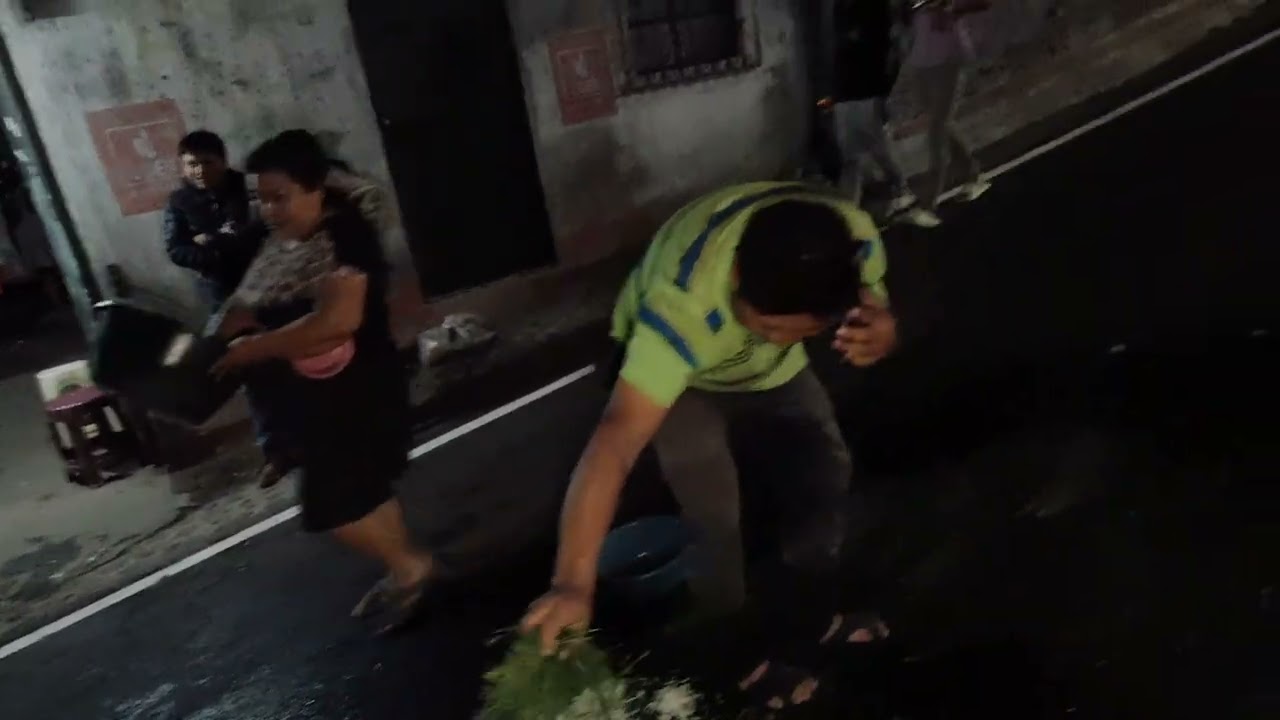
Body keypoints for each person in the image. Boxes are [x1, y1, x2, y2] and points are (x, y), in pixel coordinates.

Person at [521, 182, 898, 712]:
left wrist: (882, 329)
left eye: (799, 332)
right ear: (739, 277)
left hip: (773, 378)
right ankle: (742, 660)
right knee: (714, 516)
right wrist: (571, 583)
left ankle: (814, 617)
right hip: (690, 382)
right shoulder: (682, 305)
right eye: (766, 326)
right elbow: (615, 443)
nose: (775, 338)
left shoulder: (851, 239)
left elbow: (871, 300)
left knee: (825, 475)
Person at [210, 130, 436, 633]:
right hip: (318, 399)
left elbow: (337, 322)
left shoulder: (346, 239)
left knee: (330, 508)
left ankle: (410, 566)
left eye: (278, 197)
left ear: (314, 188)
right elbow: (251, 299)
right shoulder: (286, 240)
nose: (268, 209)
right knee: (367, 491)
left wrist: (256, 348)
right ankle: (403, 567)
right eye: (260, 198)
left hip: (357, 396)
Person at [818, 0, 933, 225]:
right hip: (850, 92)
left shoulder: (874, 13)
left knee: (869, 151)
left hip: (862, 92)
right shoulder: (849, 12)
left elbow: (884, 55)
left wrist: (883, 98)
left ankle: (894, 199)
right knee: (860, 155)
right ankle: (851, 216)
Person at [907, 0, 992, 226]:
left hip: (950, 60)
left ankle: (928, 204)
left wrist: (950, 8)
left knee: (937, 129)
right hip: (923, 62)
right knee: (940, 125)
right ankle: (973, 174)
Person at [163, 131, 254, 307]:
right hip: (217, 284)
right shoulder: (178, 201)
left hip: (261, 270)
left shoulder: (249, 187)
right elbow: (176, 249)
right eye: (192, 164)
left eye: (207, 162)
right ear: (183, 167)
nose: (200, 170)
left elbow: (258, 227)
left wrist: (208, 239)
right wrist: (213, 255)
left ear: (223, 161)